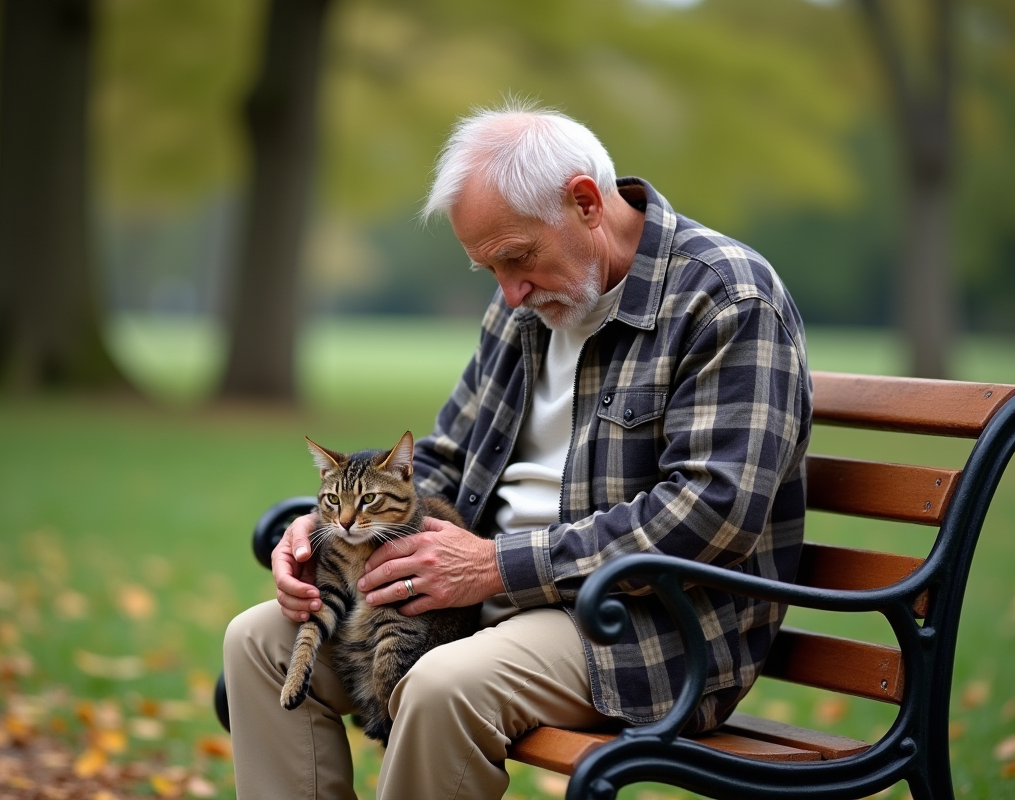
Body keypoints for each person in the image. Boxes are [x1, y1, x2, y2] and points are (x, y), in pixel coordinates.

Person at [223, 101, 812, 800]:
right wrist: (322, 534)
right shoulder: (526, 305)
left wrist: (498, 565)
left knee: (444, 687)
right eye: (489, 269)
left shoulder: (725, 298)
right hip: (480, 598)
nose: (509, 292)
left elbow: (712, 512)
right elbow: (440, 459)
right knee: (257, 643)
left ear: (587, 202)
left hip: (640, 628)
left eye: (517, 258)